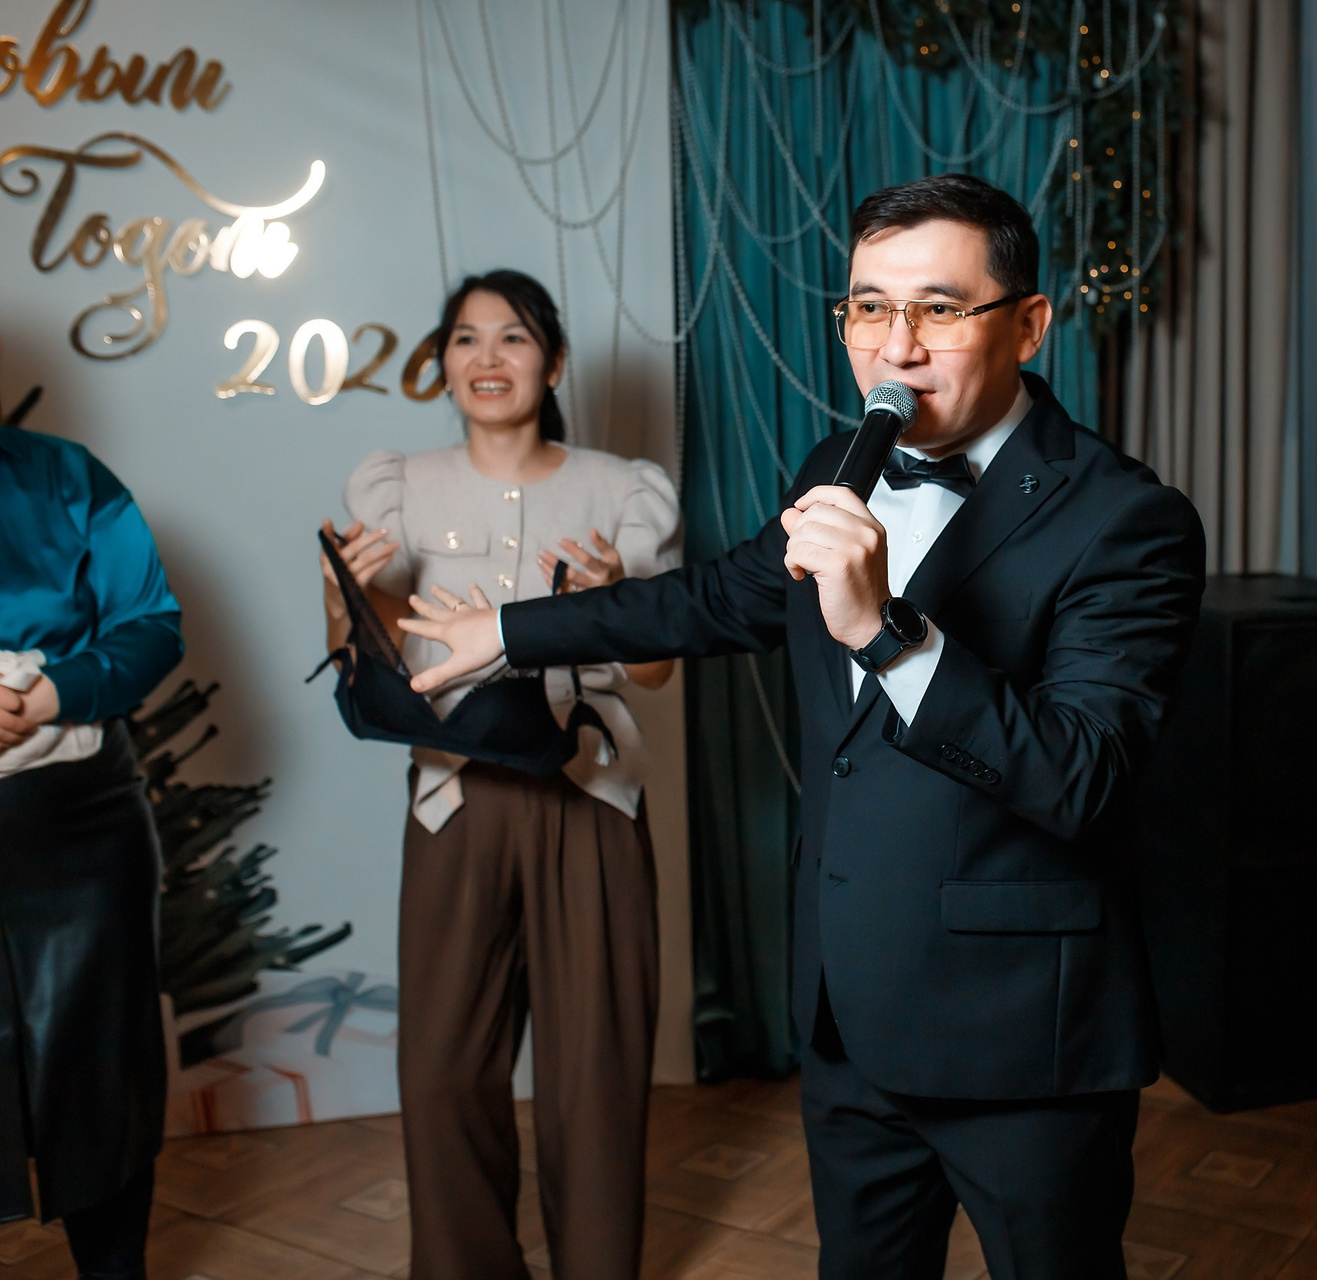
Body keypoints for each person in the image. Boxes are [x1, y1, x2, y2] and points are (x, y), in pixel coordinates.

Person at [399, 175, 1208, 1278]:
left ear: (1028, 325)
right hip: (847, 1018)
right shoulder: (837, 467)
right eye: (869, 307)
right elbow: (708, 599)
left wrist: (886, 632)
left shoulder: (1129, 518)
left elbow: (1084, 775)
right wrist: (504, 629)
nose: (896, 347)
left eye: (939, 308)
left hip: (1024, 1039)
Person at [320, 270, 679, 1280]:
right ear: (442, 363)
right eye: (466, 338)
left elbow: (658, 670)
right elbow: (362, 656)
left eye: (513, 337)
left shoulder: (623, 488)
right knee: (442, 1066)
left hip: (592, 794)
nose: (488, 358)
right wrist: (343, 597)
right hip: (455, 794)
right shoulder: (394, 485)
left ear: (553, 362)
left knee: (595, 1069)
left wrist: (618, 601)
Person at [1, 404, 184, 1280]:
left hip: (80, 829)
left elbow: (151, 625)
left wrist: (45, 696)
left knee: (100, 1078)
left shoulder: (68, 476)